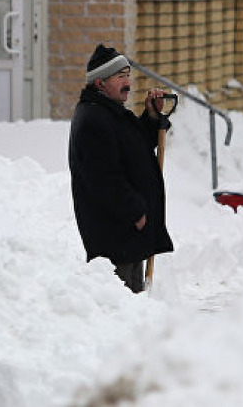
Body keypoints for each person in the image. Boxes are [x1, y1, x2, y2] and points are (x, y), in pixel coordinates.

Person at [69, 44, 174, 293]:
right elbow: (104, 179)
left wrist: (150, 118)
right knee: (123, 301)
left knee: (131, 304)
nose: (127, 83)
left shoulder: (108, 113)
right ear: (99, 84)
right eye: (119, 77)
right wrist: (134, 211)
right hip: (115, 235)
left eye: (128, 75)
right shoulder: (93, 120)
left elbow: (133, 150)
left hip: (125, 233)